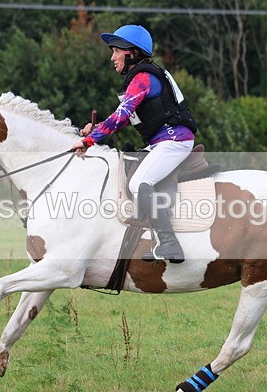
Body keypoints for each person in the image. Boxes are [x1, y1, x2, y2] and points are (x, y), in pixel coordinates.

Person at [71, 25, 197, 264]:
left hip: (174, 139)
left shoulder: (143, 78)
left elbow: (120, 116)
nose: (112, 57)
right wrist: (94, 130)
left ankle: (169, 244)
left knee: (140, 183)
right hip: (163, 141)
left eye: (116, 51)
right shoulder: (139, 78)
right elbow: (129, 117)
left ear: (132, 53)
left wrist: (89, 141)